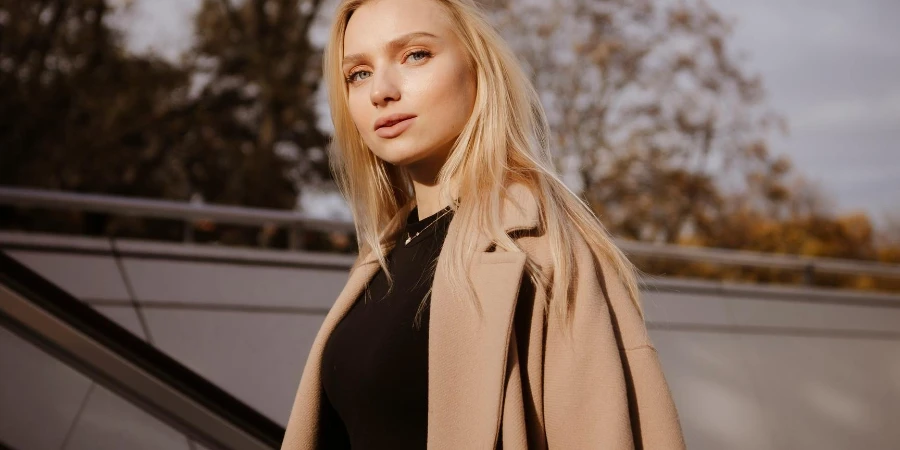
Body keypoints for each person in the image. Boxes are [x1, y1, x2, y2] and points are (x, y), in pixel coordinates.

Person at [281, 0, 686, 448]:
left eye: (415, 54)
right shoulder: (382, 258)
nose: (382, 90)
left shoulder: (541, 246)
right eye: (358, 73)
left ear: (478, 68)